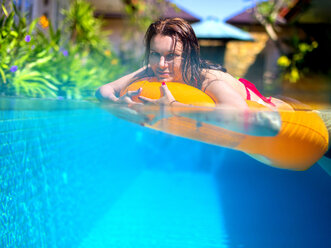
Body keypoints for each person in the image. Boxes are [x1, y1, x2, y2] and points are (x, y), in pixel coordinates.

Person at [96, 18, 330, 172]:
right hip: (272, 145)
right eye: (154, 54)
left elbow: (242, 116)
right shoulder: (155, 66)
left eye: (172, 55)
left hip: (304, 122)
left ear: (189, 56)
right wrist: (118, 104)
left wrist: (177, 107)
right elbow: (104, 90)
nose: (161, 64)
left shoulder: (207, 79)